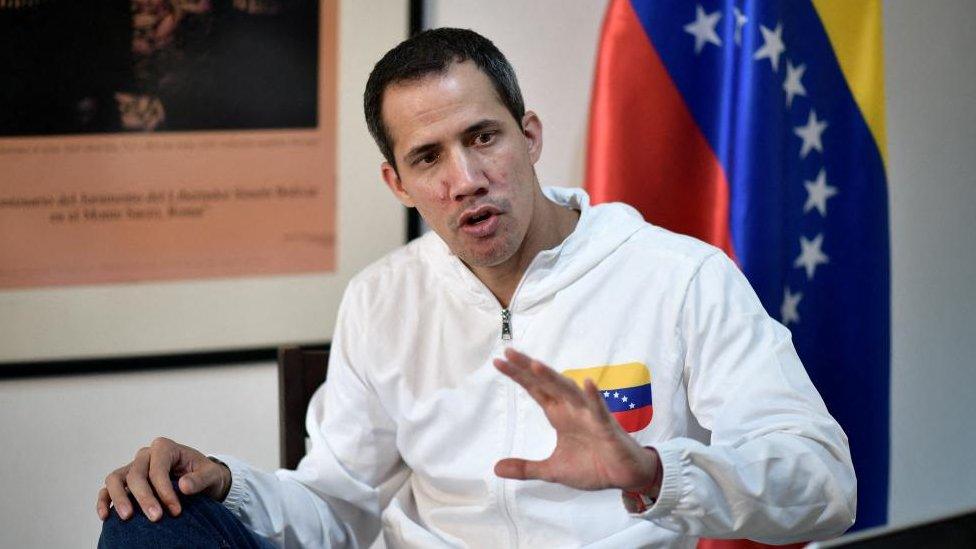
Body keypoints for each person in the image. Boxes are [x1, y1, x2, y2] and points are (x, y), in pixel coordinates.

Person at [97, 28, 856, 548]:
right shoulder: (381, 299)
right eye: (429, 157)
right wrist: (226, 483)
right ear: (397, 182)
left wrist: (654, 472)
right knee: (149, 522)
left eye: (483, 137)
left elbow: (823, 480)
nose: (466, 179)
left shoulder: (680, 276)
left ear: (529, 134)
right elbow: (336, 505)